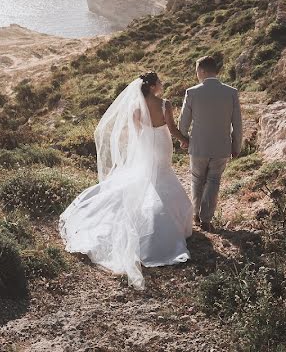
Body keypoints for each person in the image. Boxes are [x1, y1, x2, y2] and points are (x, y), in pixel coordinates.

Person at [59, 72, 193, 290]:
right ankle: (164, 226)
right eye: (159, 82)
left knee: (148, 177)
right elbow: (172, 128)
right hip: (161, 144)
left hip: (145, 144)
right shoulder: (165, 104)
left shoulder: (135, 107)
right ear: (151, 86)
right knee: (162, 175)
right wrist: (185, 140)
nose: (162, 84)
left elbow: (136, 132)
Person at [177, 55, 242, 231]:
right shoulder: (231, 92)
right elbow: (237, 123)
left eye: (197, 70)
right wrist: (236, 146)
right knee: (214, 181)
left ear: (203, 71)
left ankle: (196, 215)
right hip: (222, 147)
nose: (196, 74)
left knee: (197, 180)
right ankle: (206, 219)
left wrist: (183, 139)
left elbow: (183, 121)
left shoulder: (192, 92)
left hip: (198, 146)